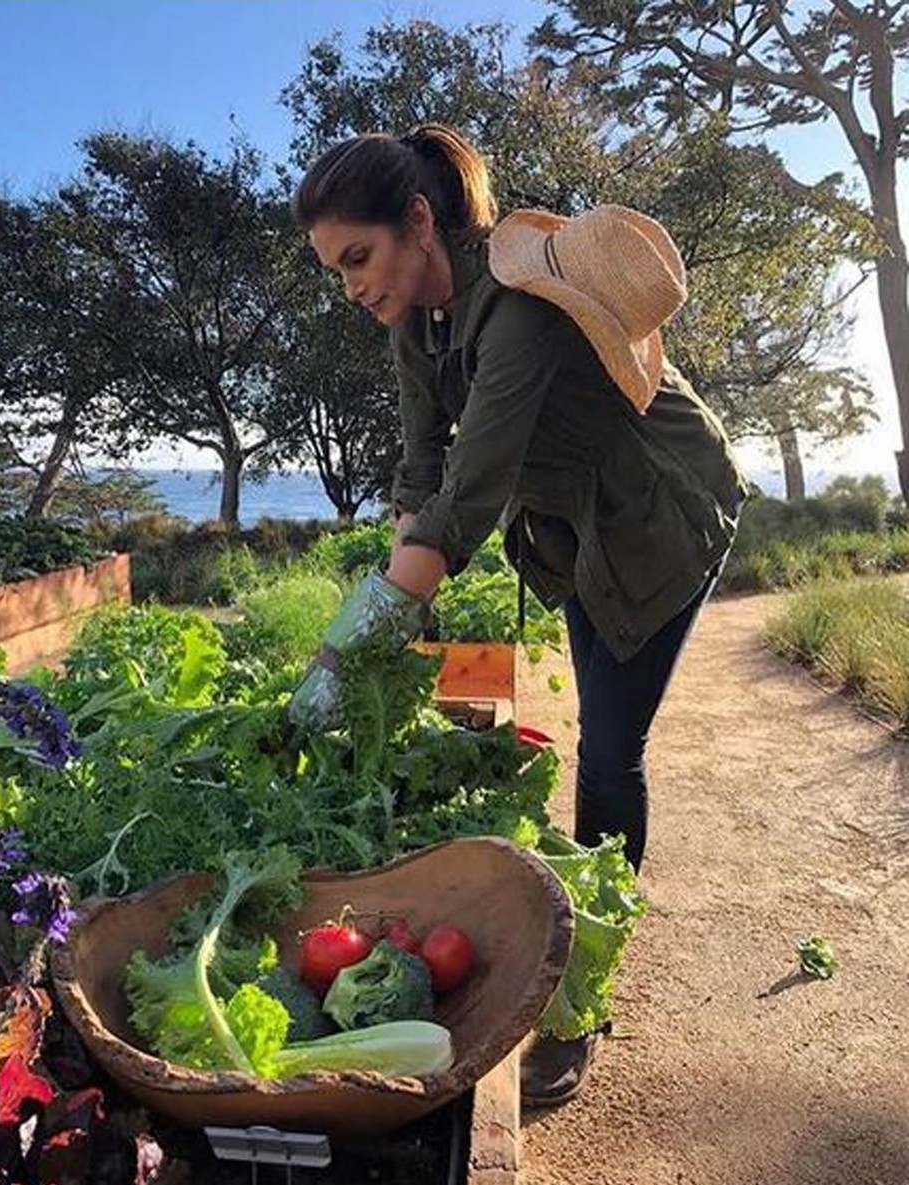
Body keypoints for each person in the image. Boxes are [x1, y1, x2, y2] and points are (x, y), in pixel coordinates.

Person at [288, 123, 748, 1107]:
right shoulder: (418, 323)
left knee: (611, 751)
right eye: (335, 270)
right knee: (594, 725)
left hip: (660, 510)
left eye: (358, 258)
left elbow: (473, 494)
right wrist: (388, 612)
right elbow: (421, 475)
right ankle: (585, 932)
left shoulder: (518, 311)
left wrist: (343, 646)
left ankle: (585, 1002)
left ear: (419, 221)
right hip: (575, 529)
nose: (351, 286)